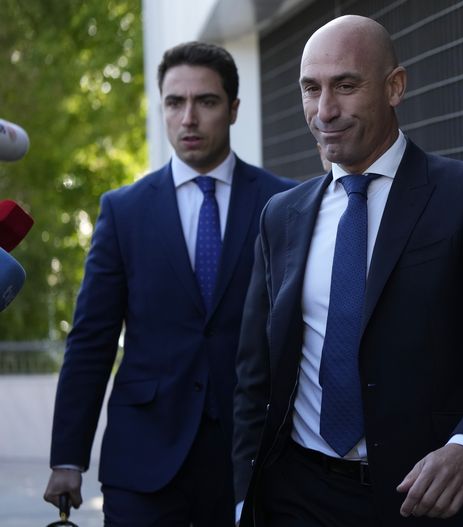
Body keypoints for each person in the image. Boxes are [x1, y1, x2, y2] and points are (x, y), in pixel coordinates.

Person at [232, 14, 463, 527]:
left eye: (345, 86)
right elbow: (255, 373)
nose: (324, 110)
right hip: (299, 497)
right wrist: (245, 495)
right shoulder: (281, 216)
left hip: (429, 501)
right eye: (311, 89)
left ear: (395, 86)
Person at [43, 41, 294, 525]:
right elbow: (92, 339)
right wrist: (67, 457)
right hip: (144, 457)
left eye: (206, 101)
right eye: (175, 102)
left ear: (234, 109)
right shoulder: (123, 210)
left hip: (251, 456)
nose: (188, 118)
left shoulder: (283, 203)